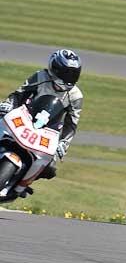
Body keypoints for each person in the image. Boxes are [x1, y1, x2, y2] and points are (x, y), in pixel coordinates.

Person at [0, 48, 83, 189]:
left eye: (74, 74)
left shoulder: (76, 96)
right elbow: (19, 94)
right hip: (25, 116)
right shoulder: (40, 77)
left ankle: (23, 184)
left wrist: (63, 144)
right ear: (55, 69)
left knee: (49, 168)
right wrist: (8, 105)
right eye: (66, 73)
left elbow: (72, 124)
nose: (69, 78)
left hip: (47, 129)